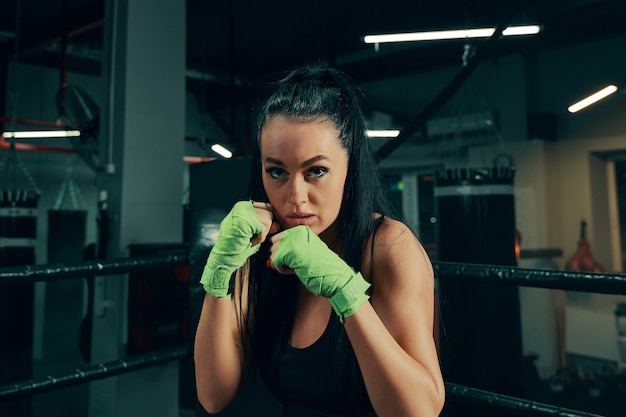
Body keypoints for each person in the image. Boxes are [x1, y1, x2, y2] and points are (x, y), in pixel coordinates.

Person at [194, 65, 445, 417]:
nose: (296, 197)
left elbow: (419, 411)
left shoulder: (388, 247)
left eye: (316, 171)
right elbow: (212, 394)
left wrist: (345, 290)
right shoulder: (261, 247)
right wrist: (220, 269)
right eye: (277, 171)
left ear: (349, 166)